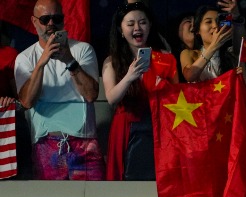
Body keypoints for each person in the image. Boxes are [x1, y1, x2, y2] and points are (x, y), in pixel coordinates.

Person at [15, 0, 102, 180]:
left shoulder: (82, 50)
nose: (51, 24)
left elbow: (91, 94)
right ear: (34, 21)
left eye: (57, 18)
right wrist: (41, 63)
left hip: (85, 143)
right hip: (46, 146)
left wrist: (69, 60)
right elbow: (26, 101)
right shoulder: (25, 58)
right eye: (45, 19)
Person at [102, 2, 178, 181]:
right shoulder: (111, 62)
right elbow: (111, 98)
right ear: (121, 30)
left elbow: (177, 98)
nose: (137, 28)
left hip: (159, 128)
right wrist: (130, 76)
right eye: (130, 24)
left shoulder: (166, 59)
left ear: (150, 26)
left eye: (142, 22)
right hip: (127, 129)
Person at [180, 4, 238, 83]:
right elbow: (190, 76)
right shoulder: (188, 53)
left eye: (218, 21)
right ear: (197, 30)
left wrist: (236, 16)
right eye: (208, 22)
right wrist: (214, 46)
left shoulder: (231, 53)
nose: (215, 26)